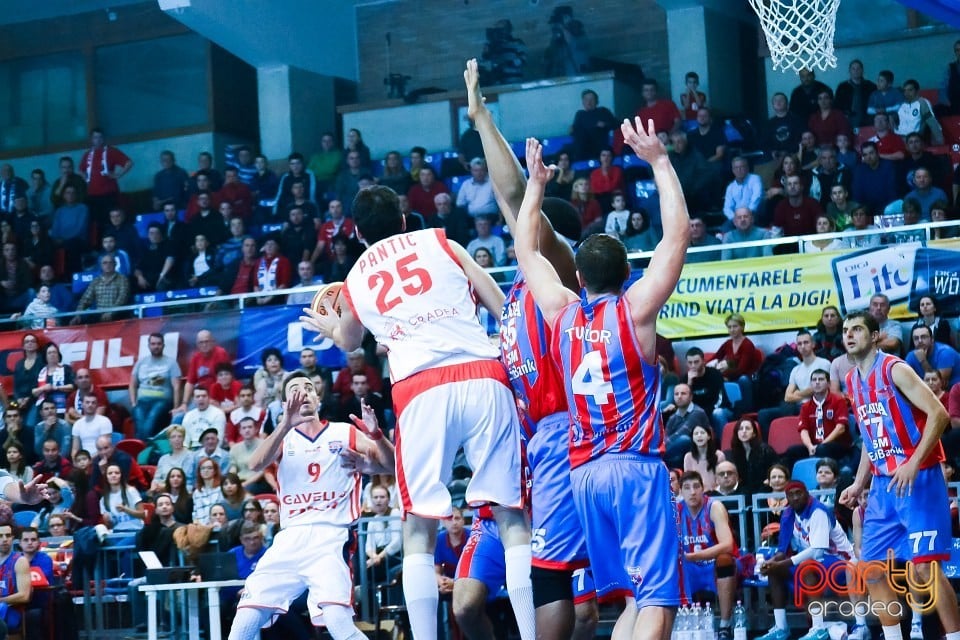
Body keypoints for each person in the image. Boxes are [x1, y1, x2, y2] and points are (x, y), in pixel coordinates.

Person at [301, 155, 534, 640]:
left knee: (419, 527)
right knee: (511, 515)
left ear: (360, 234)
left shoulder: (356, 274)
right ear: (406, 221)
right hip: (483, 373)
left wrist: (326, 326)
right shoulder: (441, 240)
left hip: (421, 388)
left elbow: (348, 341)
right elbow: (497, 298)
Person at [514, 116, 688, 637]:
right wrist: (658, 161)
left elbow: (527, 251)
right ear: (628, 273)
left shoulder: (563, 314)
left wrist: (536, 186)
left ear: (581, 279)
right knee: (659, 596)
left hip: (583, 476)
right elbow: (676, 235)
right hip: (634, 467)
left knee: (633, 600)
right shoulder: (635, 313)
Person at [463, 58, 597, 640]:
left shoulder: (559, 274)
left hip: (573, 433)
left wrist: (481, 119)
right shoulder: (518, 293)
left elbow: (516, 193)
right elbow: (504, 201)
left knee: (579, 597)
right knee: (553, 585)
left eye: (524, 224)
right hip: (542, 444)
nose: (512, 224)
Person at [226, 373, 394, 640]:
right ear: (284, 404)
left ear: (318, 398)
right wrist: (284, 425)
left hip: (331, 536)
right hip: (290, 538)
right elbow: (254, 464)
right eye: (295, 390)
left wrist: (375, 435)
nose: (303, 393)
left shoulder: (344, 431)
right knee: (244, 621)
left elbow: (392, 464)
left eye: (308, 388)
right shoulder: (282, 439)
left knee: (338, 622)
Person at [839, 311, 960, 640]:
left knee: (925, 568)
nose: (849, 335)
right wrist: (859, 481)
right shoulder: (851, 380)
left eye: (858, 330)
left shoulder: (896, 369)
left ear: (875, 336)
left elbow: (939, 413)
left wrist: (912, 461)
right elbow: (869, 435)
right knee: (872, 569)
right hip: (882, 485)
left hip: (919, 477)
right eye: (846, 330)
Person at [757, 480, 856, 640]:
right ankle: (781, 628)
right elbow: (783, 550)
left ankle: (818, 629)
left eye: (799, 493)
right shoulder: (788, 514)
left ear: (807, 494)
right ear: (786, 497)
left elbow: (817, 551)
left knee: (809, 566)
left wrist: (784, 563)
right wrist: (771, 563)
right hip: (812, 561)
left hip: (840, 561)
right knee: (775, 569)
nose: (795, 498)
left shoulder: (818, 511)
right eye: (791, 495)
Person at [677, 471, 739, 639]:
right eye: (687, 488)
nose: (692, 492)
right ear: (680, 492)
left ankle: (725, 625)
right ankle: (680, 623)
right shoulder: (675, 510)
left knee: (725, 561)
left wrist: (695, 556)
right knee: (669, 565)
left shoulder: (714, 507)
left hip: (713, 562)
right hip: (690, 565)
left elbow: (727, 545)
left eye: (696, 486)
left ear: (703, 489)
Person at [129, 333, 181, 440]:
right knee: (139, 424)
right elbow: (132, 384)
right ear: (148, 345)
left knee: (149, 423)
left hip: (162, 402)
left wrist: (176, 408)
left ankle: (144, 450)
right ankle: (144, 448)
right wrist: (134, 403)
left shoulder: (171, 363)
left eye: (159, 344)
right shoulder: (141, 363)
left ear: (163, 345)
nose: (156, 346)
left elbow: (177, 387)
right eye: (153, 344)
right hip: (142, 402)